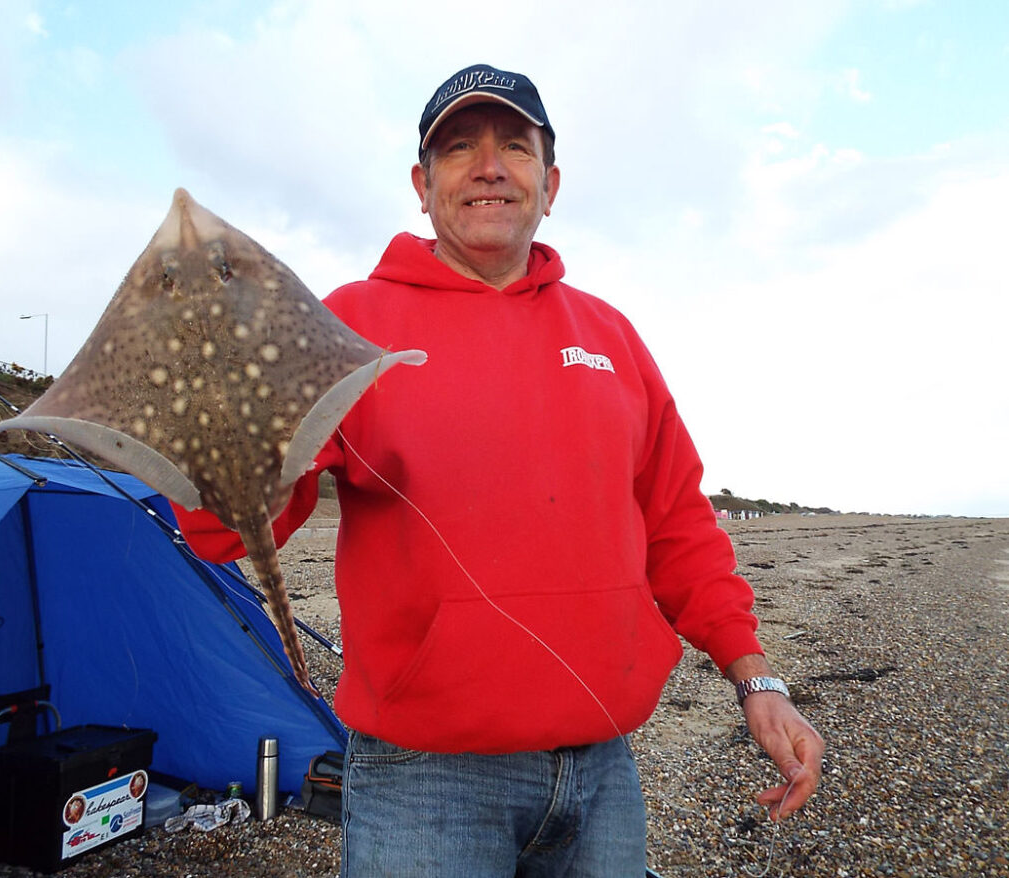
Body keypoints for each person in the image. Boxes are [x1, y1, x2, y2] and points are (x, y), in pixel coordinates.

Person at [175, 63, 824, 877]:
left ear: (550, 183)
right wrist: (218, 433)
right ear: (422, 183)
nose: (489, 167)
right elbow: (222, 529)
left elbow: (678, 522)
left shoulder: (611, 336)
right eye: (458, 149)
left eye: (516, 147)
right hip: (425, 782)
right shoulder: (344, 323)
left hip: (603, 764)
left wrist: (755, 677)